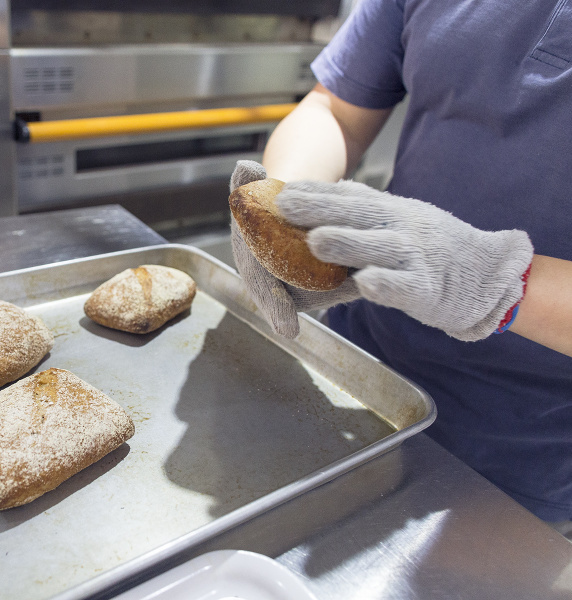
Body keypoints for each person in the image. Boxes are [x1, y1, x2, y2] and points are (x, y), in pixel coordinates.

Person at [230, 0, 572, 530]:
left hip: (520, 457)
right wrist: (285, 207)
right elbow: (336, 111)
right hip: (349, 366)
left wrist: (499, 282)